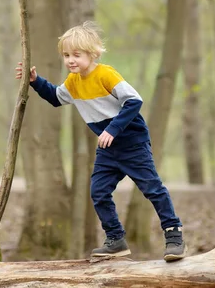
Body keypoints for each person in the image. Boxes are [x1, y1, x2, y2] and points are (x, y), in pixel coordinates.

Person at [15, 21, 187, 262]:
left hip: (132, 143)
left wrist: (113, 130)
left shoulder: (105, 74)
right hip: (108, 150)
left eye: (76, 55)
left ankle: (174, 234)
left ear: (92, 54)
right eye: (66, 55)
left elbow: (134, 101)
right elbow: (56, 97)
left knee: (152, 189)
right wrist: (35, 81)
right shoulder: (74, 82)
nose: (70, 60)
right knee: (98, 192)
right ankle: (115, 239)